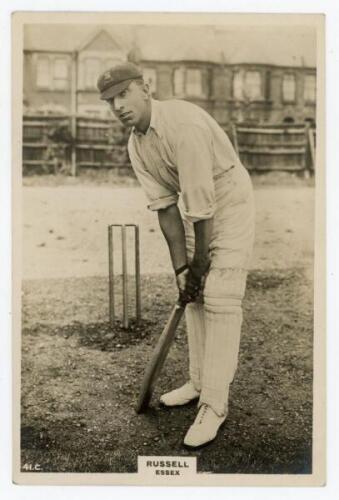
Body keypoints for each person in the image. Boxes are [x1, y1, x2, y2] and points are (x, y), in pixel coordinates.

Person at [97, 62, 255, 448]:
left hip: (230, 200)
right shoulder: (137, 144)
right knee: (193, 294)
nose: (118, 105)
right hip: (194, 206)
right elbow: (167, 208)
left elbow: (204, 207)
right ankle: (199, 381)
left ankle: (215, 404)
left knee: (219, 296)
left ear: (145, 88)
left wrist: (201, 265)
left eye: (123, 94)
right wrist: (183, 269)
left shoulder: (182, 126)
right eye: (110, 100)